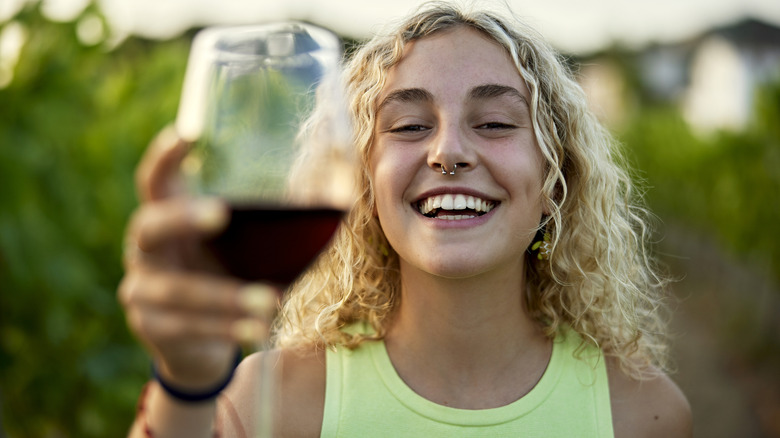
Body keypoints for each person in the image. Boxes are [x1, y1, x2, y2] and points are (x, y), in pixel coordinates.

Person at [119, 2, 692, 437]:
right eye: (409, 125)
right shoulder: (273, 400)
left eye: (494, 123)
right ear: (362, 183)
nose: (448, 152)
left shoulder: (644, 413)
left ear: (555, 180)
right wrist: (186, 385)